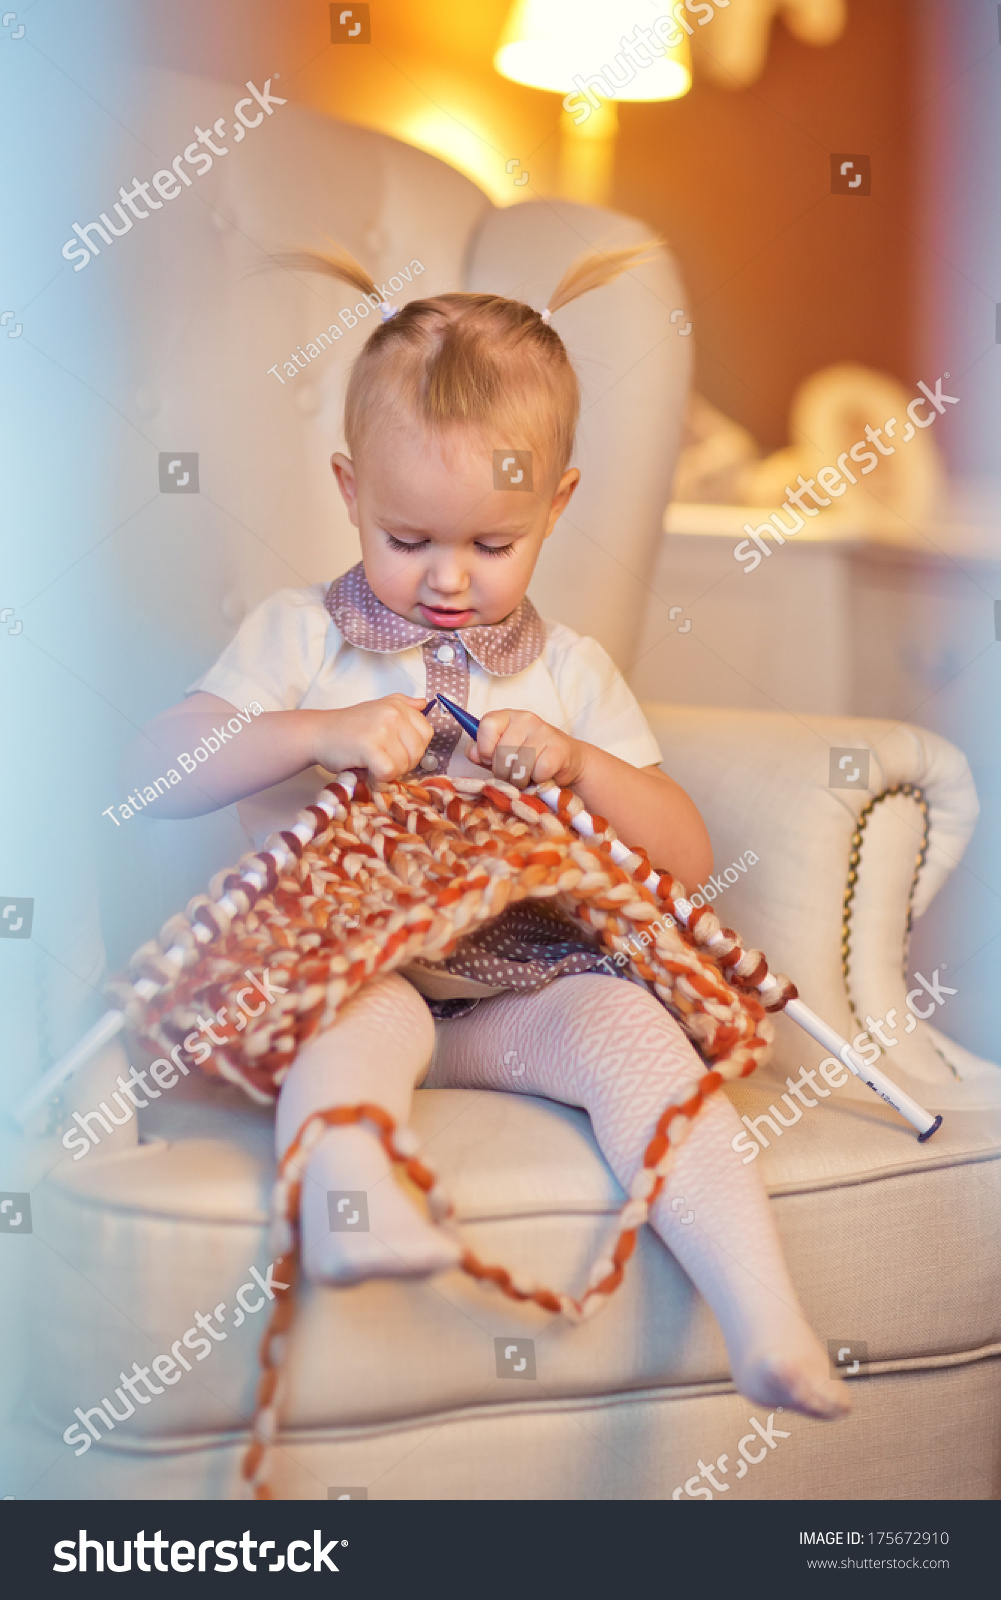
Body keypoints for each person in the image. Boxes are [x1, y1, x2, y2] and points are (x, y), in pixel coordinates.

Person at [121, 243, 848, 1420]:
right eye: (407, 540)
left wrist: (582, 764)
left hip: (518, 993)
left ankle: (762, 1316)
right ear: (351, 492)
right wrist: (315, 729)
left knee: (636, 1037)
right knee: (351, 1023)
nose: (447, 579)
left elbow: (686, 860)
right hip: (363, 970)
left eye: (490, 545)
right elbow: (151, 769)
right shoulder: (300, 636)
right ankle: (354, 1205)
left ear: (555, 504)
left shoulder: (570, 670)